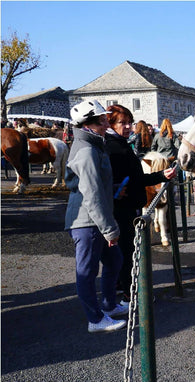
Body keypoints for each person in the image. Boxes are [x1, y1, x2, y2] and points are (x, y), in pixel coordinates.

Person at [64, 100, 128, 333]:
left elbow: (93, 186)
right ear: (89, 124)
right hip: (88, 222)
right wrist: (109, 229)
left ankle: (109, 306)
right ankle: (95, 319)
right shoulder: (88, 150)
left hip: (93, 219)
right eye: (102, 120)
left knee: (114, 261)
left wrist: (112, 189)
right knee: (87, 272)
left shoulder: (92, 146)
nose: (105, 123)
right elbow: (91, 193)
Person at [105, 105, 176, 304]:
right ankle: (129, 294)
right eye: (122, 123)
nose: (128, 127)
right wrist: (113, 189)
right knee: (127, 252)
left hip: (127, 206)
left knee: (126, 251)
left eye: (130, 122)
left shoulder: (120, 143)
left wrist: (162, 175)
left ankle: (122, 287)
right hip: (121, 208)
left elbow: (136, 178)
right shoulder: (112, 146)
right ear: (111, 124)